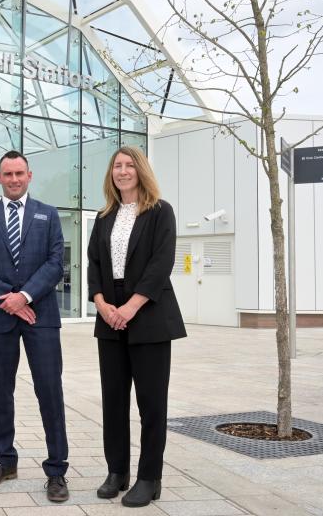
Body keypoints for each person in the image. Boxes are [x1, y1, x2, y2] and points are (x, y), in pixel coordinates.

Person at [87, 145, 186, 508]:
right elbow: (94, 264)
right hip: (109, 315)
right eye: (118, 165)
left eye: (130, 165)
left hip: (148, 315)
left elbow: (161, 264)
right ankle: (117, 472)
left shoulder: (160, 212)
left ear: (141, 170)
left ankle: (149, 478)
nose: (123, 171)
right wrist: (101, 303)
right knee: (113, 400)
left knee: (150, 404)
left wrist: (130, 306)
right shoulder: (103, 216)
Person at [0, 150, 70, 503]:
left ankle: (56, 470)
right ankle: (4, 461)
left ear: (30, 176)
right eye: (7, 174)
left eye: (19, 173)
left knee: (50, 392)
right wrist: (7, 299)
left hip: (41, 317)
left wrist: (24, 296)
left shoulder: (49, 214)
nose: (13, 179)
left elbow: (56, 263)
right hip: (0, 320)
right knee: (1, 392)